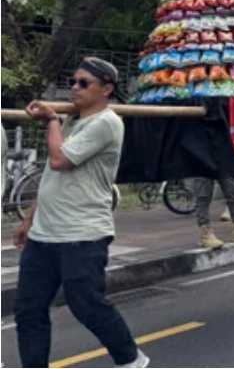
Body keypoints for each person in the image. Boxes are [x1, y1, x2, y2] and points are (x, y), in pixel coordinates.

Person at [15, 57, 149, 368]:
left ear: (106, 89)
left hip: (82, 233)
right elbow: (52, 175)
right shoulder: (72, 121)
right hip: (44, 234)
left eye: (83, 83)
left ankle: (131, 360)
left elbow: (61, 160)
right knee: (28, 309)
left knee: (86, 303)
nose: (74, 88)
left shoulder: (107, 122)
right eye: (72, 82)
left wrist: (50, 121)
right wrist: (29, 218)